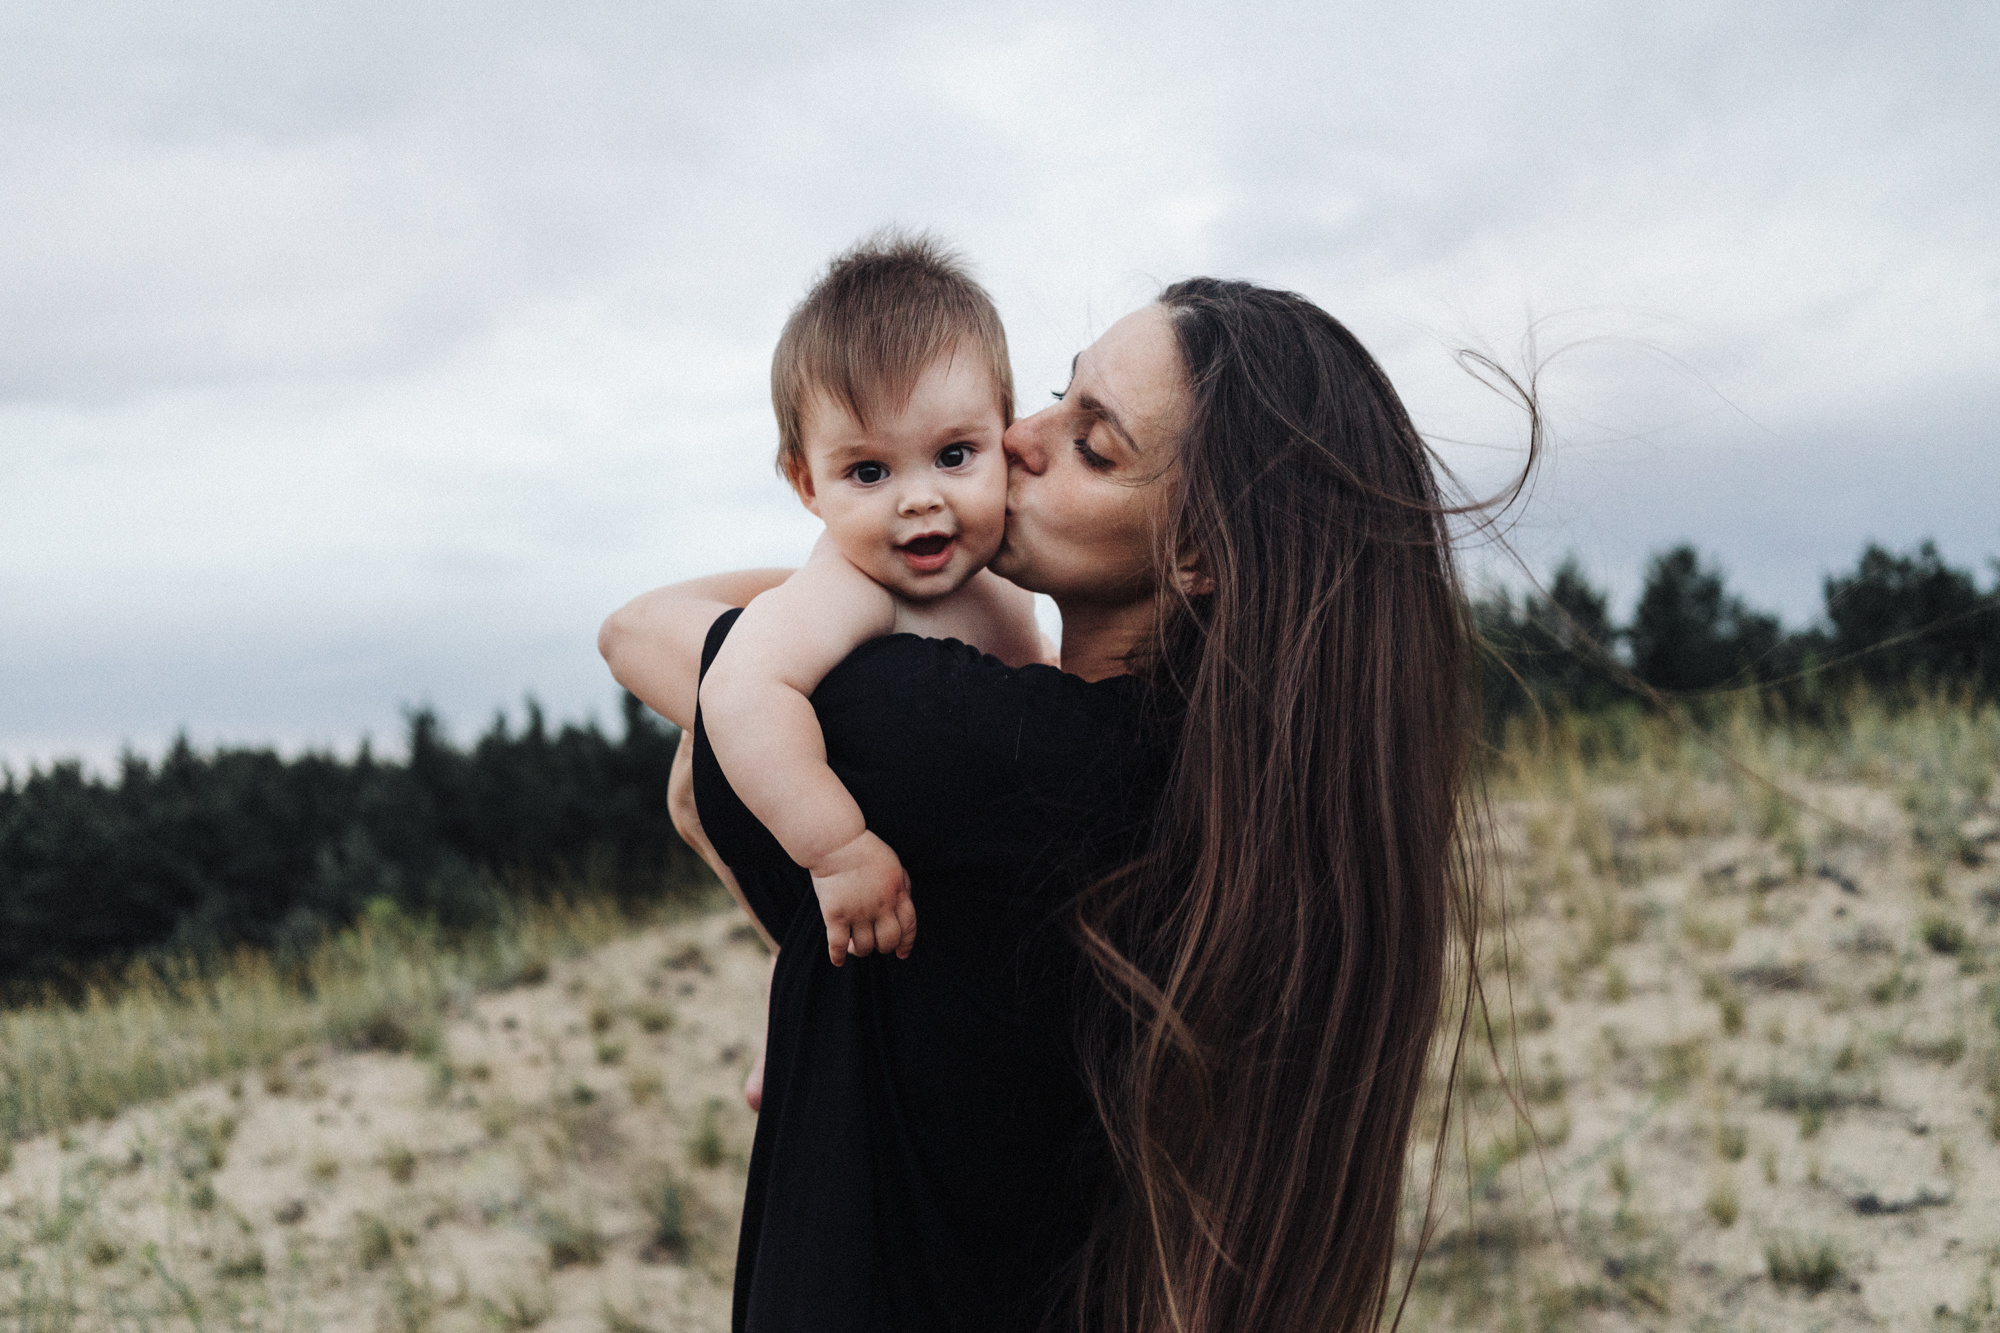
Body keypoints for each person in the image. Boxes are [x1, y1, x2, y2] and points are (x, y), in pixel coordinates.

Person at [600, 276, 1488, 1333]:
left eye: (1090, 442)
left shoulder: (978, 746)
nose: (1019, 437)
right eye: (1058, 395)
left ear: (1199, 551)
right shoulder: (1208, 783)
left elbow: (643, 631)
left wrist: (848, 559)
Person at [702, 234, 1051, 971]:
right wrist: (835, 847)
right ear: (807, 486)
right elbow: (740, 688)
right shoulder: (850, 586)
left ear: (1006, 435)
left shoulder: (1007, 573)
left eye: (955, 455)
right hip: (877, 927)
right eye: (868, 471)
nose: (920, 498)